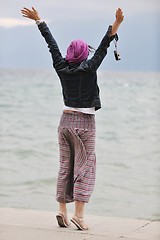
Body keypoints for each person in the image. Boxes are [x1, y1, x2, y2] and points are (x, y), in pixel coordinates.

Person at [21, 6, 124, 230]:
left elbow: (52, 45)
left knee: (65, 165)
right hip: (85, 123)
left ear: (70, 54)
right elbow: (105, 44)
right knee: (85, 167)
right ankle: (78, 215)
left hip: (64, 122)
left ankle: (61, 211)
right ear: (84, 55)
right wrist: (117, 24)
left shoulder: (61, 66)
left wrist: (39, 20)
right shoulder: (90, 67)